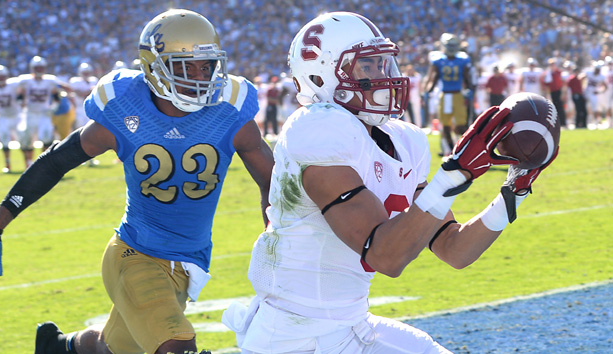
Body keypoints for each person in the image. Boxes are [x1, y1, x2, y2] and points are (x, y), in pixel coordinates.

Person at [221, 11, 558, 354]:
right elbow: (385, 256)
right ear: (321, 75)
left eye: (383, 64)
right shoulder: (318, 130)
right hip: (294, 337)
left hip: (348, 324)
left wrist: (514, 191)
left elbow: (455, 249)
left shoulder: (404, 140)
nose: (383, 75)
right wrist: (454, 175)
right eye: (366, 67)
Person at [0, 9, 274, 354]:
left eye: (206, 65)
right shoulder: (124, 109)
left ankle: (58, 347)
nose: (200, 76)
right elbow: (56, 161)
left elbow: (272, 183)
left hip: (189, 260)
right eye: (185, 66)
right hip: (135, 253)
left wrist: (278, 240)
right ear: (153, 66)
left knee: (112, 348)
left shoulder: (231, 114)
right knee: (174, 345)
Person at [424, 32, 472, 157]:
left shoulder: (462, 59)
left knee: (461, 126)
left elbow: (466, 78)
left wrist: (470, 89)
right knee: (445, 127)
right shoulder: (438, 59)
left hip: (457, 95)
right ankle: (453, 153)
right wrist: (427, 91)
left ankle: (464, 149)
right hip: (445, 96)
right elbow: (435, 77)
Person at [17, 56, 64, 167]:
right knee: (27, 138)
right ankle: (28, 164)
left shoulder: (50, 80)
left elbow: (56, 95)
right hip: (30, 113)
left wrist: (54, 107)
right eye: (36, 68)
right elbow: (20, 94)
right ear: (32, 68)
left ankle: (44, 163)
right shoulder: (25, 80)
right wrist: (21, 104)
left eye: (40, 68)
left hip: (44, 113)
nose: (39, 70)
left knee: (47, 137)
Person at [543, 58, 567, 127]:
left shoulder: (559, 72)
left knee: (560, 107)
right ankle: (557, 123)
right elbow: (547, 85)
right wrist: (548, 94)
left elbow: (563, 84)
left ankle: (563, 122)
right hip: (552, 92)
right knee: (554, 108)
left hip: (559, 91)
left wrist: (563, 93)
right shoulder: (548, 74)